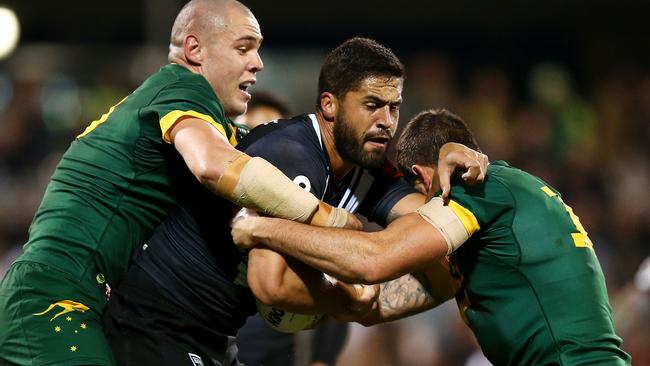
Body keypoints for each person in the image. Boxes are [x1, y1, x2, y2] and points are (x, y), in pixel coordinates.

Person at [0, 1, 364, 365]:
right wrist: (328, 219)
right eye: (243, 47)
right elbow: (213, 165)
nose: (258, 62)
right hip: (54, 297)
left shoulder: (203, 117)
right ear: (194, 50)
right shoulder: (184, 86)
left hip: (73, 295)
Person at [103, 38, 487, 366]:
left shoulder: (367, 170)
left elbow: (430, 229)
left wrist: (458, 170)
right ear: (330, 105)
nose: (387, 120)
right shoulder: (293, 154)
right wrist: (348, 296)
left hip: (212, 333)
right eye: (372, 105)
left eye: (394, 106)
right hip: (157, 320)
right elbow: (270, 284)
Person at [232, 109, 632, 365]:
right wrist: (325, 297)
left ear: (422, 178)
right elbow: (376, 303)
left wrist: (264, 227)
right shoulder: (488, 228)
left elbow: (373, 259)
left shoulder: (477, 189)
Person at [234, 91, 350, 366]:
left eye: (277, 138)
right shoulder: (211, 210)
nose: (270, 154)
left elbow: (333, 289)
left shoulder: (308, 214)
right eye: (256, 134)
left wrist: (322, 360)